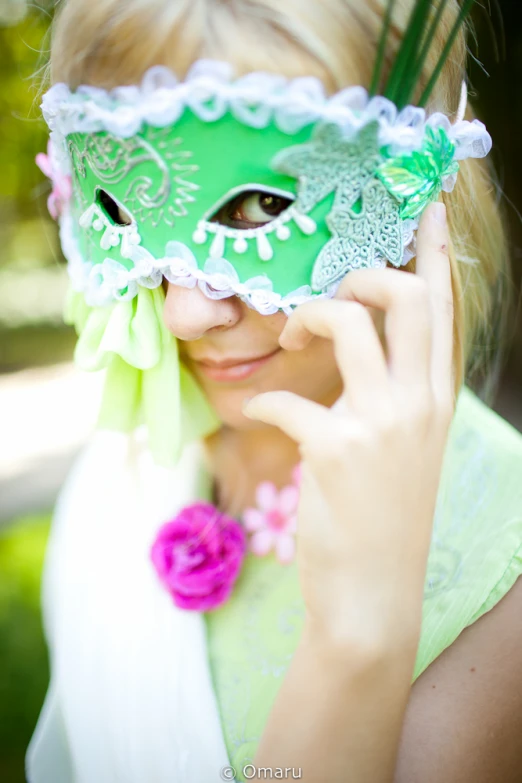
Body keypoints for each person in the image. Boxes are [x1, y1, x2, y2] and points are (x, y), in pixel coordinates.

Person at [27, 0, 522, 781]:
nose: (187, 314)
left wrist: (357, 640)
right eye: (120, 207)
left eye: (260, 204)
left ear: (422, 189)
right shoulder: (135, 456)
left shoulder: (507, 581)